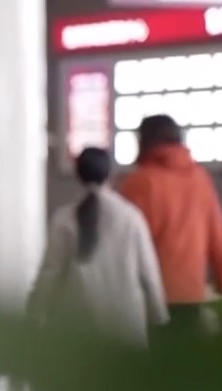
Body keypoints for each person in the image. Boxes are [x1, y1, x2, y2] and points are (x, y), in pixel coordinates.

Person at [27, 147, 167, 346]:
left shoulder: (64, 219)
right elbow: (148, 273)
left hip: (79, 329)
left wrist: (34, 313)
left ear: (78, 175)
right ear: (110, 174)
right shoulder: (131, 217)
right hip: (126, 329)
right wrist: (159, 317)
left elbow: (50, 273)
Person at [118, 114, 222, 338]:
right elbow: (218, 235)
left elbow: (123, 244)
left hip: (150, 297)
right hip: (192, 293)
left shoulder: (139, 182)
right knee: (184, 355)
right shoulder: (200, 179)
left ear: (144, 140)